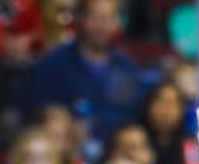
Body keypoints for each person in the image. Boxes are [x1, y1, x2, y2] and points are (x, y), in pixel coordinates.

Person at [24, 0, 144, 150]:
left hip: (117, 155)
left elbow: (135, 117)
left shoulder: (128, 69)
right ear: (81, 18)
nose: (101, 25)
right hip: (65, 152)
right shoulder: (53, 64)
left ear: (116, 23)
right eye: (94, 17)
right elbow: (38, 114)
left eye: (108, 18)